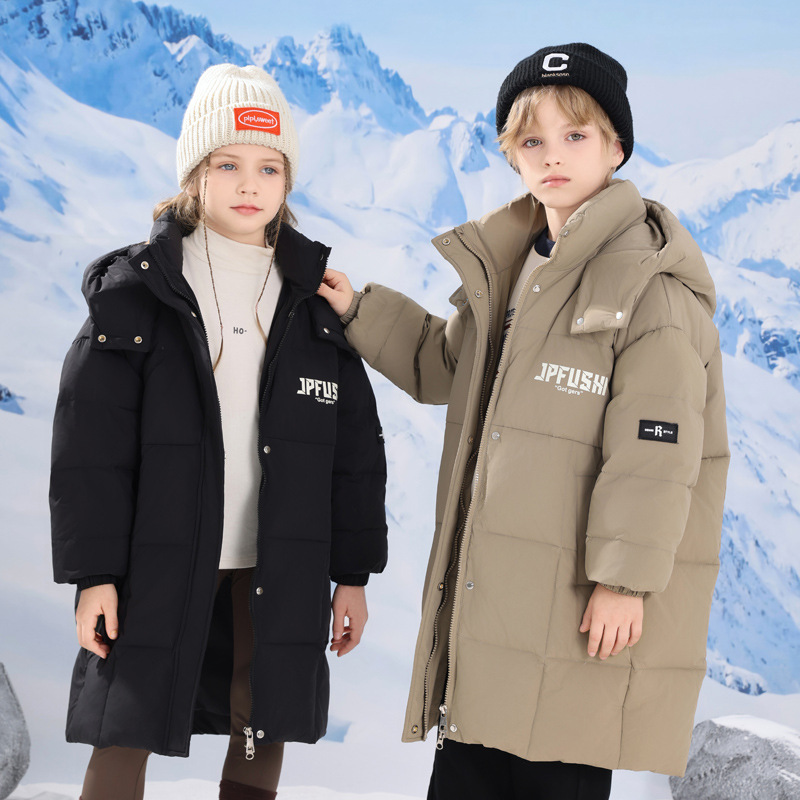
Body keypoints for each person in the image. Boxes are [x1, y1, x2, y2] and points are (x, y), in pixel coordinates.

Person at [318, 43, 729, 800]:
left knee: (555, 771)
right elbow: (444, 365)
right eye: (532, 140)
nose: (553, 156)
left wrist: (625, 581)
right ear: (511, 155)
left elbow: (657, 446)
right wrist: (357, 310)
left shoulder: (650, 286)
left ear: (617, 147)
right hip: (495, 609)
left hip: (576, 608)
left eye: (575, 135)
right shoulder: (513, 268)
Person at [49, 64, 388, 800]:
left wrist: (353, 577)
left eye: (269, 167)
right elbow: (89, 450)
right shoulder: (137, 294)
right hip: (155, 560)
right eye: (228, 164)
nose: (249, 184)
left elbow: (354, 456)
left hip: (279, 562)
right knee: (126, 720)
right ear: (194, 173)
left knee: (261, 721)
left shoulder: (314, 304)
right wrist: (93, 574)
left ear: (287, 181)